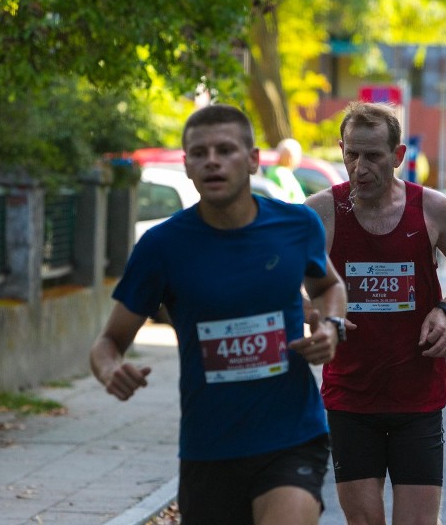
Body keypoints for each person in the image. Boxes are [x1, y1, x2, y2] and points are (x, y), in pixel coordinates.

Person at [89, 104, 348, 525]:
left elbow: (329, 287)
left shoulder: (296, 225)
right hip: (209, 449)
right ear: (188, 165)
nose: (212, 160)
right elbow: (108, 342)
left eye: (225, 149)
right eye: (199, 152)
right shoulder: (162, 246)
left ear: (252, 160)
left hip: (292, 436)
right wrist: (110, 370)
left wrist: (332, 326)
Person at [305, 101, 446, 524]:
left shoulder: (433, 209)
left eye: (373, 156)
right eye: (352, 154)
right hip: (350, 397)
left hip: (417, 396)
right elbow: (271, 275)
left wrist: (444, 311)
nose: (360, 166)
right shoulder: (320, 213)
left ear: (399, 156)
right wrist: (315, 312)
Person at [264, 137, 308, 203]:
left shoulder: (276, 171)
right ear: (291, 157)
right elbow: (285, 203)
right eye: (298, 154)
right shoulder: (281, 175)